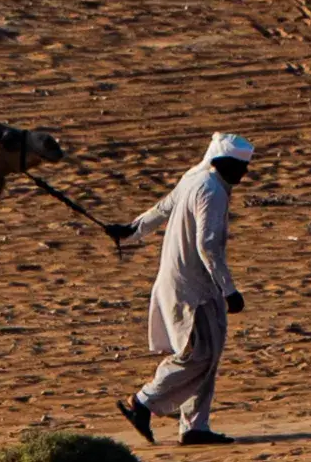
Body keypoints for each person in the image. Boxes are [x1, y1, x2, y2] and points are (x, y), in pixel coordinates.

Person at [105, 133, 253, 446]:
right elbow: (208, 244)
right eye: (238, 167)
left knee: (207, 355)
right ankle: (143, 402)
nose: (244, 174)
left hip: (186, 285)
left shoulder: (194, 180)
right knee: (196, 356)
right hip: (194, 289)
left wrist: (129, 231)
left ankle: (195, 427)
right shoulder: (210, 190)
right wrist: (230, 290)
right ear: (219, 163)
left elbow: (161, 210)